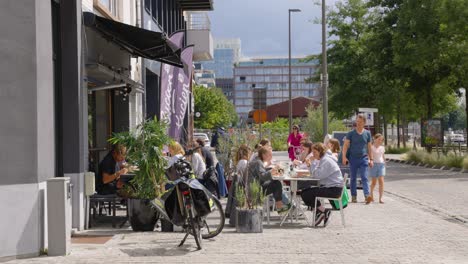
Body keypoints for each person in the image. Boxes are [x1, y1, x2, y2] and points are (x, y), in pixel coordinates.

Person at [301, 143, 344, 226]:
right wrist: (311, 165)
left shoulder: (326, 161)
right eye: (312, 152)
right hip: (331, 187)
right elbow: (316, 174)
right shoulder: (324, 159)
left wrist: (311, 163)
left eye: (315, 152)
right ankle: (321, 212)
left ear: (320, 151)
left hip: (334, 189)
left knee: (306, 194)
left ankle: (322, 211)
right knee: (306, 192)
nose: (313, 154)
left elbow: (317, 175)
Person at [341, 114, 373, 204]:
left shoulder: (367, 133)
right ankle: (354, 196)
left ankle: (367, 196)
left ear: (364, 123)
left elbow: (369, 147)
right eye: (357, 122)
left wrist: (371, 159)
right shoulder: (351, 133)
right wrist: (344, 157)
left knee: (364, 177)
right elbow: (345, 146)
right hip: (353, 158)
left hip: (364, 158)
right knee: (353, 178)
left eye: (360, 122)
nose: (358, 123)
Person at [248, 146, 290, 213]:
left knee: (275, 183)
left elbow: (261, 173)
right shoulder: (258, 162)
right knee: (276, 183)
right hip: (255, 189)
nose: (271, 157)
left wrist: (271, 171)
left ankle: (282, 205)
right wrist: (272, 170)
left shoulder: (257, 161)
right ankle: (280, 206)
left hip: (254, 187)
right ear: (264, 155)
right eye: (269, 155)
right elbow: (263, 176)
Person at [369, 133, 386, 203]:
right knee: (374, 182)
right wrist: (370, 161)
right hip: (374, 165)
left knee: (381, 182)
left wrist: (385, 162)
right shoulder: (371, 147)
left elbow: (383, 156)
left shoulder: (382, 148)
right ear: (374, 139)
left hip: (381, 165)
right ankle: (371, 194)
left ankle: (381, 198)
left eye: (381, 140)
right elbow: (369, 156)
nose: (380, 141)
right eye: (379, 139)